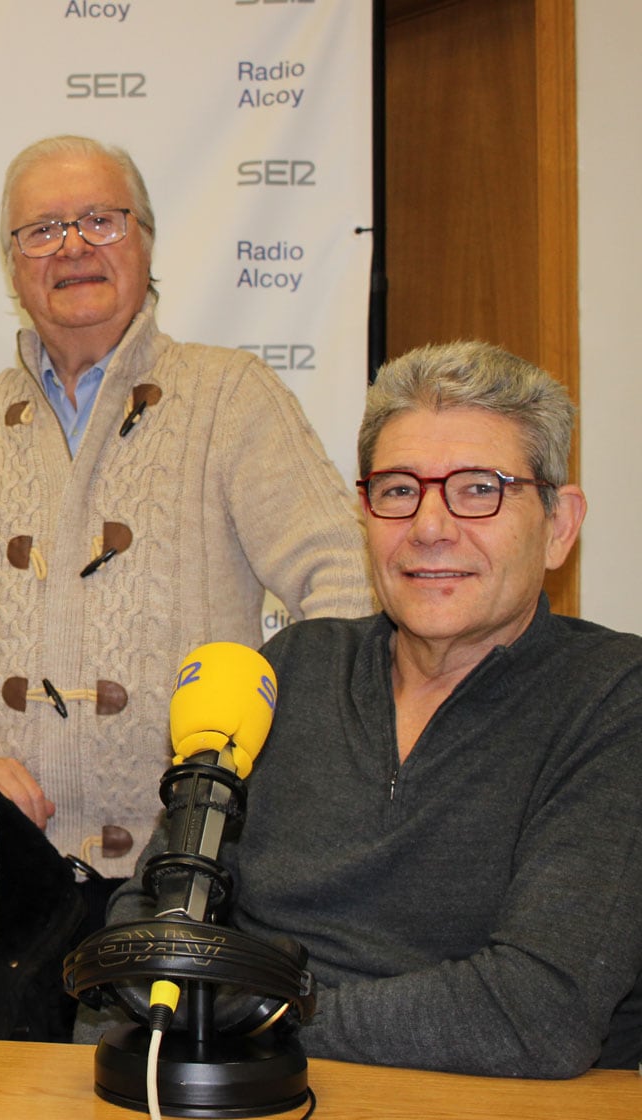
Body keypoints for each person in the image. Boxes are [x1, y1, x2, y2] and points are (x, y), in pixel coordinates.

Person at [102, 341, 642, 1076]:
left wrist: (258, 1014)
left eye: (479, 488)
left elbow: (537, 1013)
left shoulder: (613, 698)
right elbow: (151, 920)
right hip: (247, 1088)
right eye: (397, 490)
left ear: (559, 524)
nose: (429, 526)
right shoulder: (289, 670)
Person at [0, 135, 373, 874]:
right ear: (13, 267)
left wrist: (246, 755)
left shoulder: (231, 397)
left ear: (146, 242)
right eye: (42, 230)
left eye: (101, 220)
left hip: (187, 869)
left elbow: (346, 583)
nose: (72, 248)